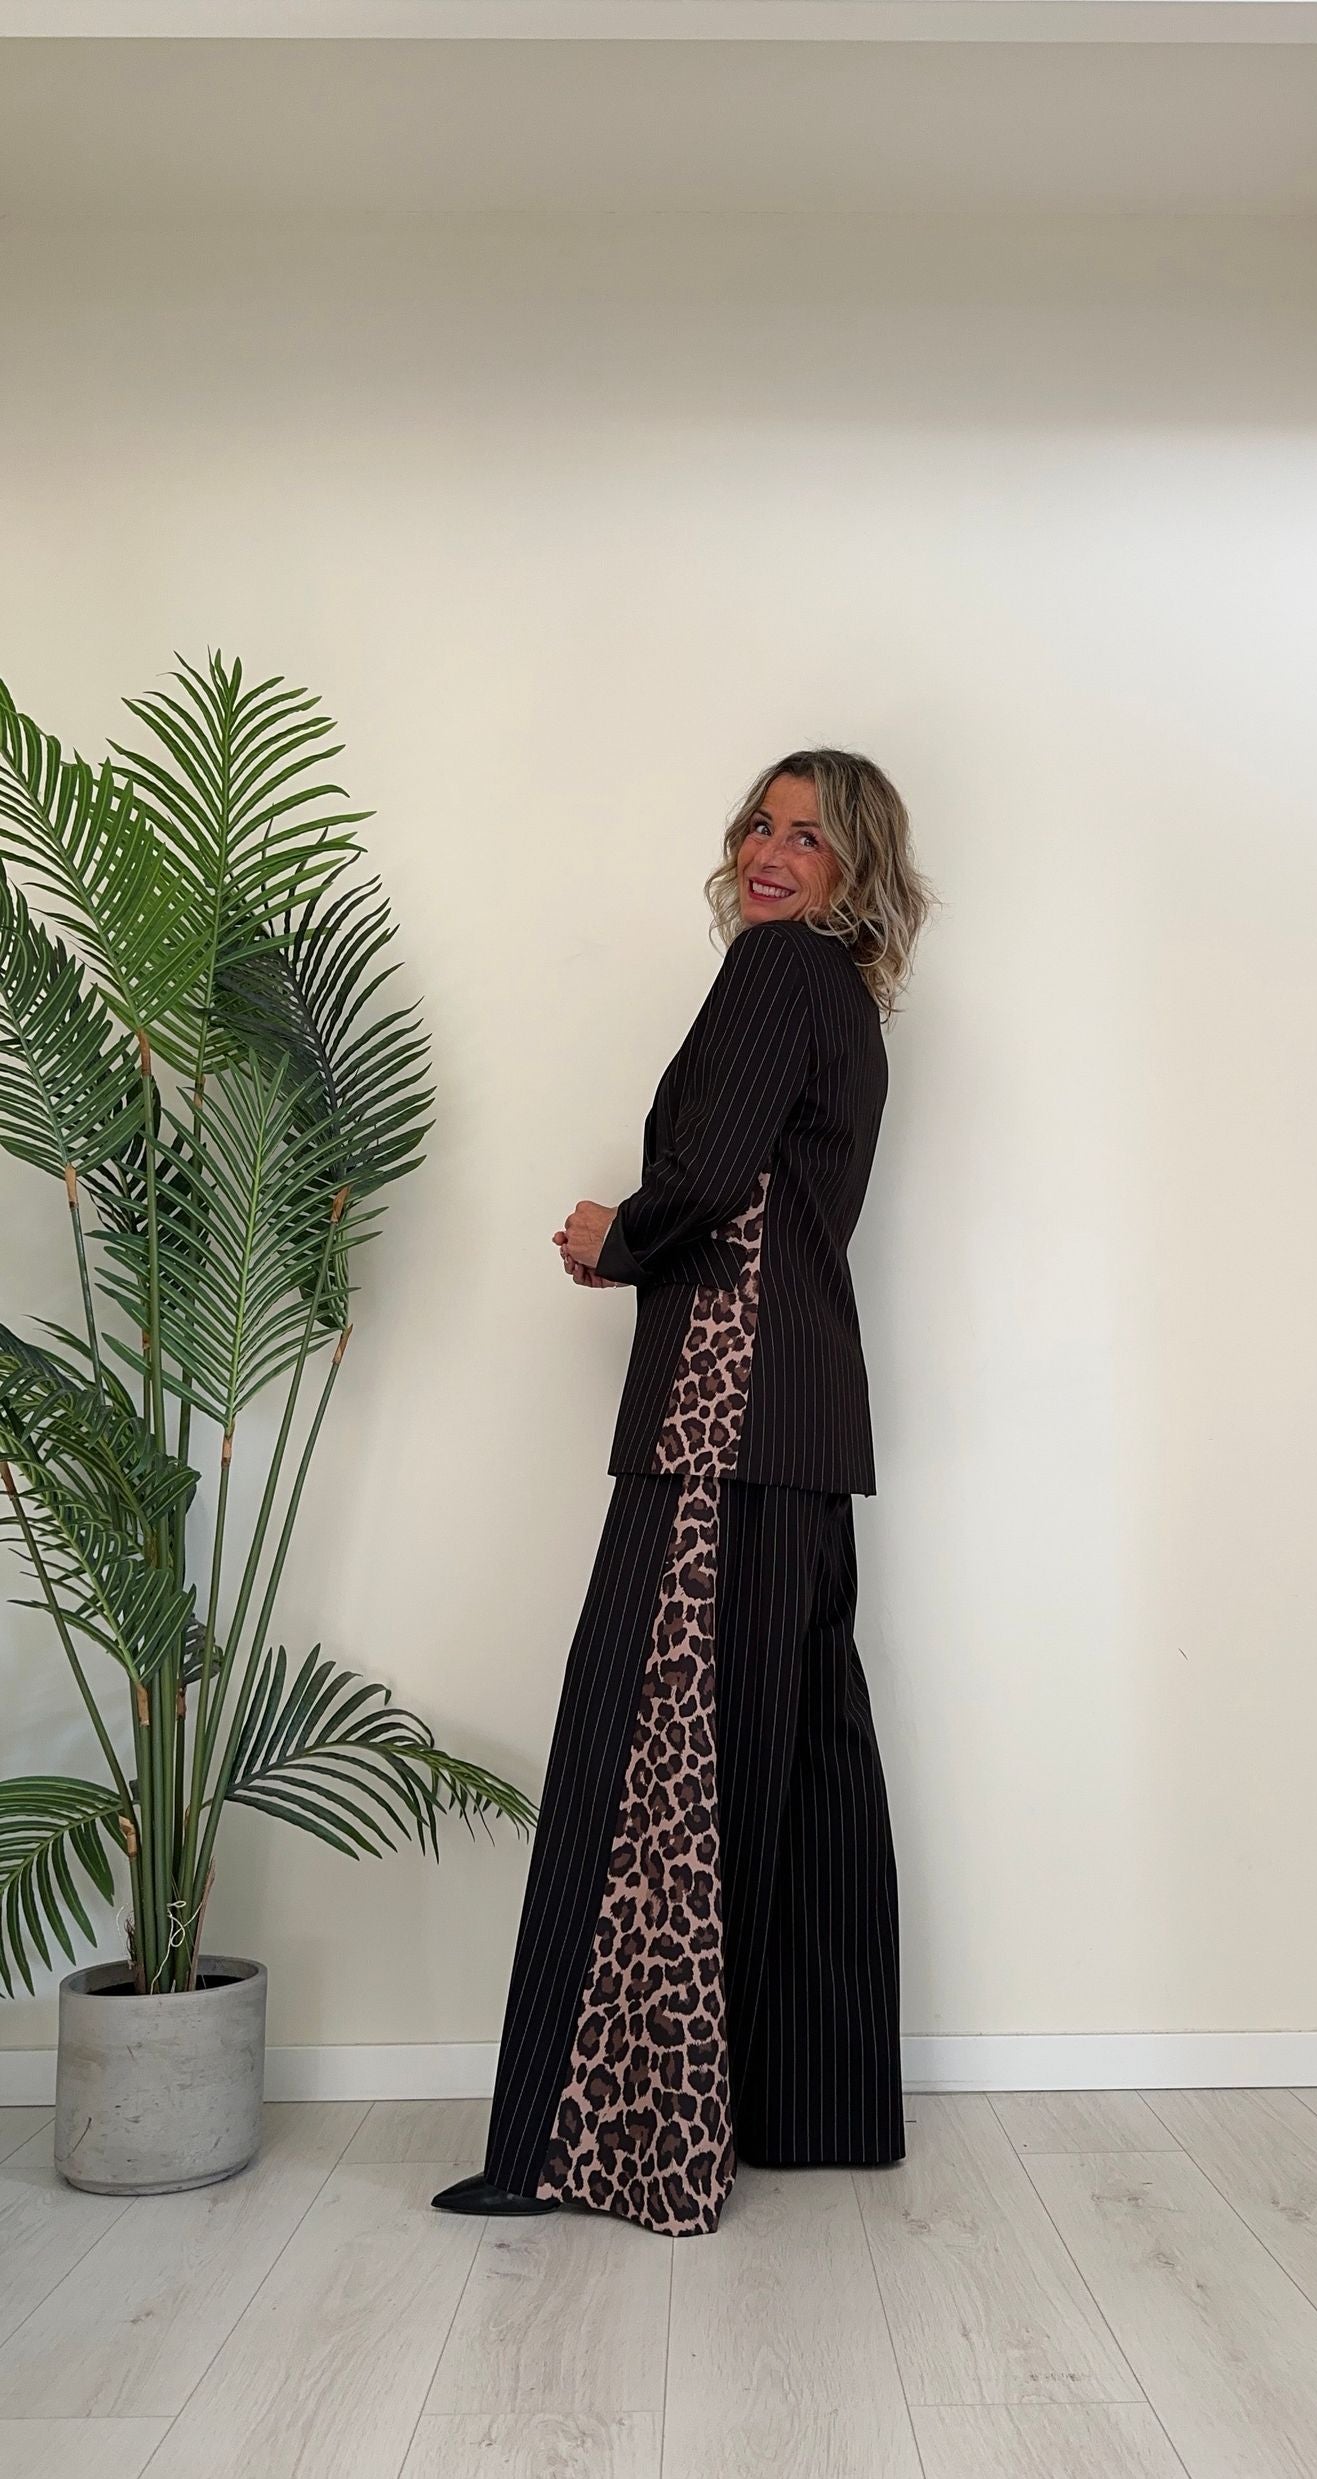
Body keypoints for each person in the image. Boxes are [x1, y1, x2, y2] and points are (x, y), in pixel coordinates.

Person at [432, 748, 933, 2236]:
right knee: (791, 1756)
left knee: (651, 1758)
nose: (770, 853)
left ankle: (596, 2147)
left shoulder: (778, 970)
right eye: (759, 825)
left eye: (809, 837)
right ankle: (807, 2112)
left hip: (718, 1414)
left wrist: (621, 1234)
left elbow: (709, 1173)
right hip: (802, 1423)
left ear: (855, 870)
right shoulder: (848, 1002)